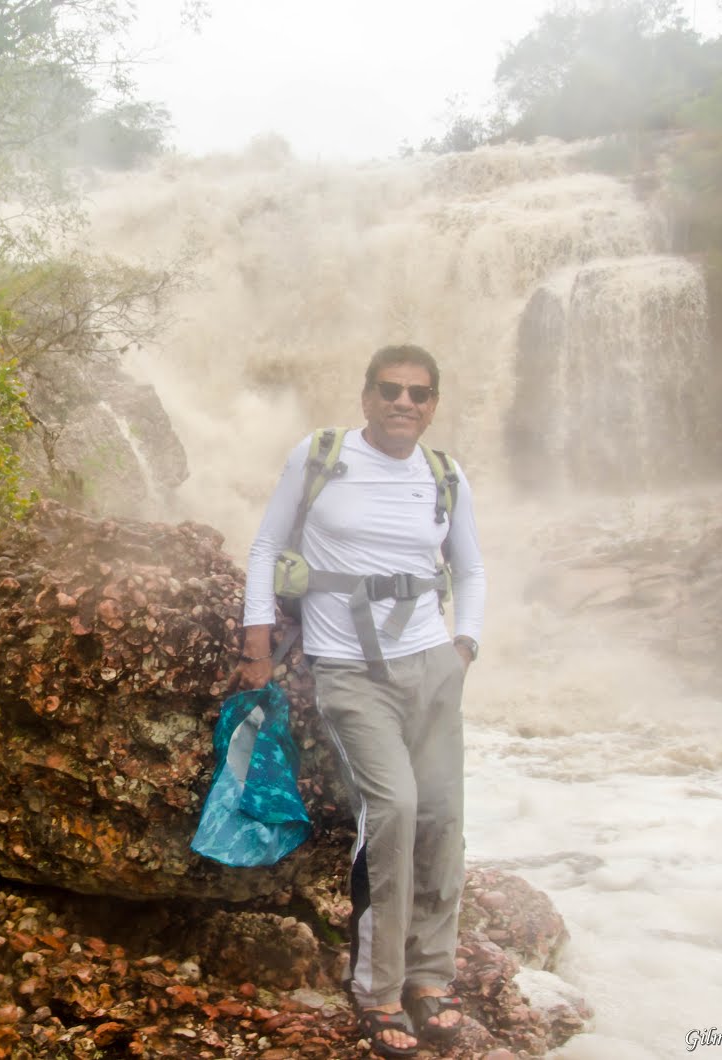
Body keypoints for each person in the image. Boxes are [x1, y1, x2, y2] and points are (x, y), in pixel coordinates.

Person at [236, 344, 485, 1059]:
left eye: (420, 393)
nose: (405, 403)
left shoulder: (445, 474)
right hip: (349, 670)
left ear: (434, 402)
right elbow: (264, 548)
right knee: (395, 808)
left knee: (442, 818)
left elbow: (470, 569)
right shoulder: (319, 457)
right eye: (391, 390)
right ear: (367, 395)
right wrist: (258, 645)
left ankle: (433, 977)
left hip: (432, 668)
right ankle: (377, 990)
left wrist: (464, 648)